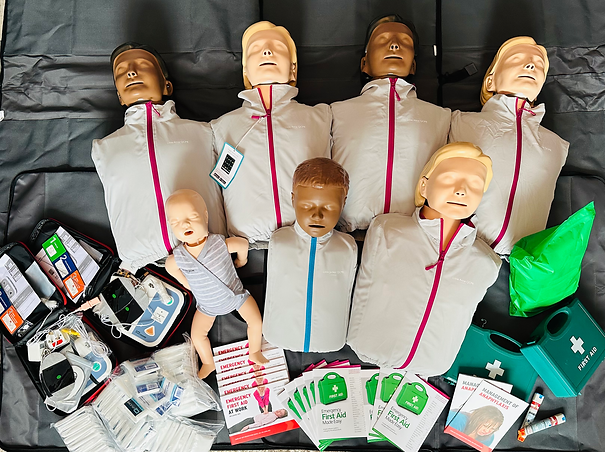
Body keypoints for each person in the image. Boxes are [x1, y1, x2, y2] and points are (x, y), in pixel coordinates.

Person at [347, 143, 501, 375]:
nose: (461, 191)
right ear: (424, 186)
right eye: (449, 179)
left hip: (435, 364)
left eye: (475, 185)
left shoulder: (486, 263)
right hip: (368, 348)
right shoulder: (388, 230)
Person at [91, 42, 225, 272]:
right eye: (121, 71)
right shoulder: (104, 148)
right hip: (143, 266)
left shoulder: (204, 132)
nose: (131, 73)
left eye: (143, 65)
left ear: (167, 86)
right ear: (119, 96)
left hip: (208, 251)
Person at [211, 21, 331, 246]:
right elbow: (213, 193)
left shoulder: (321, 117)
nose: (267, 51)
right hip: (246, 245)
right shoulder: (220, 127)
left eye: (278, 47)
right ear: (245, 71)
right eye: (256, 49)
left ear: (293, 69)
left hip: (311, 239)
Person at [331, 14, 451, 235]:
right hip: (345, 237)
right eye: (383, 40)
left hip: (415, 236)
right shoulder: (334, 113)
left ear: (413, 65)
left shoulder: (443, 118)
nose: (394, 45)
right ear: (364, 63)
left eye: (405, 42)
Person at [449, 36, 569, 255]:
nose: (531, 66)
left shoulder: (557, 145)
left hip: (524, 263)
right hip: (461, 252)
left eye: (539, 65)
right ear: (490, 82)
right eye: (517, 59)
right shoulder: (457, 122)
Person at [164, 189, 267, 378]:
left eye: (192, 217)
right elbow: (169, 267)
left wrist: (242, 260)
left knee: (255, 321)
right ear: (170, 226)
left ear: (205, 216)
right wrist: (186, 283)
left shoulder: (218, 243)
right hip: (206, 307)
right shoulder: (179, 256)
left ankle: (254, 351)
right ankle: (208, 362)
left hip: (236, 297)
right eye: (176, 222)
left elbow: (242, 244)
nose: (185, 224)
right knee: (197, 336)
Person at [263, 158, 357, 352]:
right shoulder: (280, 241)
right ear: (293, 200)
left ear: (343, 203)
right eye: (307, 206)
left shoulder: (347, 248)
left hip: (331, 340)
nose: (317, 216)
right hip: (277, 334)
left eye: (328, 207)